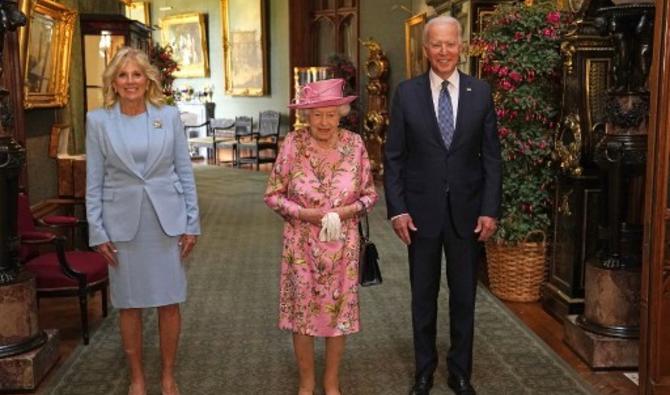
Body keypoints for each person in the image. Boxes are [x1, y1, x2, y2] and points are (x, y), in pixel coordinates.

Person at [384, 16, 502, 395]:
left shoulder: (481, 93)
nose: (444, 52)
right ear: (425, 49)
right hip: (420, 215)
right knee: (423, 297)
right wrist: (397, 209)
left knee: (464, 297)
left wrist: (490, 209)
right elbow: (394, 158)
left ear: (461, 46)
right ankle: (424, 371)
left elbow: (491, 160)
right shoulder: (406, 93)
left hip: (468, 214)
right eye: (436, 44)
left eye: (451, 43)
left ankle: (459, 371)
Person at [85, 47, 200, 395]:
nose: (130, 81)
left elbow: (184, 171)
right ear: (113, 82)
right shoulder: (98, 121)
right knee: (129, 304)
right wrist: (97, 230)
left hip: (165, 222)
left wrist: (191, 222)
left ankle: (167, 374)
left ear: (147, 78)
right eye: (123, 75)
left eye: (137, 74)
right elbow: (94, 179)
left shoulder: (168, 115)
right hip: (122, 225)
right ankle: (137, 377)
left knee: (169, 300)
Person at [264, 78, 378, 395]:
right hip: (301, 244)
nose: (324, 122)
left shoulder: (355, 145)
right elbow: (272, 195)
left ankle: (331, 383)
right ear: (306, 116)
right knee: (302, 313)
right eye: (317, 115)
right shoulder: (291, 145)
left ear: (341, 113)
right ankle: (306, 383)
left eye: (330, 114)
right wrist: (304, 214)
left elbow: (370, 196)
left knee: (338, 313)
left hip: (343, 245)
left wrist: (344, 212)